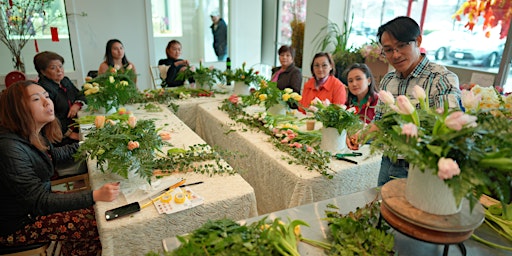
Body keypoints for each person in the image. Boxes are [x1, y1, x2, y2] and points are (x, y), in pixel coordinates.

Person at [0, 80, 120, 255]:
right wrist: (94, 195)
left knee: (99, 212)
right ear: (17, 109)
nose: (47, 102)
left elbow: (54, 155)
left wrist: (91, 144)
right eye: (36, 99)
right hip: (18, 224)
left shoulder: (30, 134)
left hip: (35, 207)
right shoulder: (9, 148)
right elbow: (39, 201)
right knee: (101, 223)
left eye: (47, 96)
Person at [373, 16, 461, 186]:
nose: (396, 55)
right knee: (381, 207)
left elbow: (448, 132)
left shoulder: (441, 79)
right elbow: (380, 122)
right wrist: (363, 134)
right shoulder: (388, 80)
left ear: (418, 41)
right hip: (388, 160)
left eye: (401, 46)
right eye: (389, 50)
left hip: (419, 168)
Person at [33, 51, 86, 147]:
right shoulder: (43, 89)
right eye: (53, 68)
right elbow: (50, 118)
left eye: (60, 66)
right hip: (60, 137)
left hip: (76, 126)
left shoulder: (65, 81)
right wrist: (70, 134)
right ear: (43, 71)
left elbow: (81, 94)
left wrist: (77, 104)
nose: (59, 70)